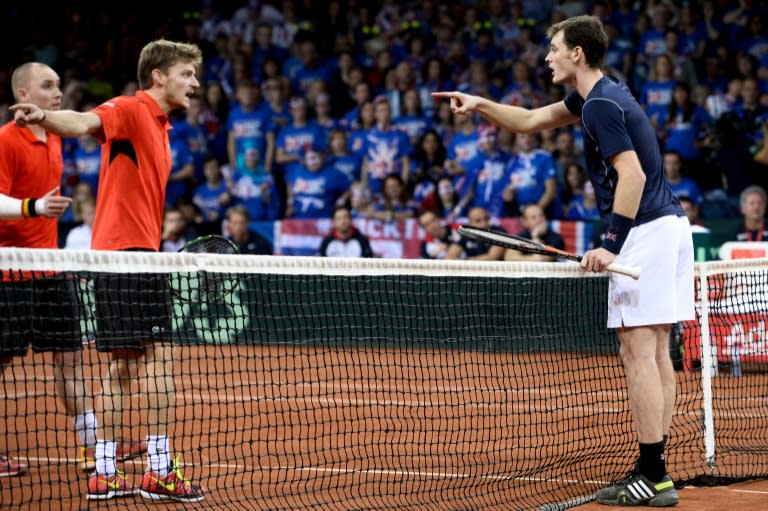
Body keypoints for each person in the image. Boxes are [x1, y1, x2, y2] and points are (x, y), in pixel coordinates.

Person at [434, 14, 694, 507]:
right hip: (669, 227)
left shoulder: (598, 105)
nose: (547, 56)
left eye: (553, 48)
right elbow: (532, 120)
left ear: (577, 52)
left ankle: (653, 475)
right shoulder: (601, 94)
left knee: (638, 352)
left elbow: (632, 176)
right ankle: (655, 469)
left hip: (645, 229)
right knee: (656, 352)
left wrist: (611, 244)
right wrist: (481, 104)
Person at [11, 40, 206, 502]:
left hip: (119, 254)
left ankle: (104, 471)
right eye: (186, 74)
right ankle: (159, 468)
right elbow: (84, 121)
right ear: (158, 76)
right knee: (161, 357)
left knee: (122, 366)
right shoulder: (132, 108)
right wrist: (43, 118)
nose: (194, 84)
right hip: (130, 254)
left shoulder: (160, 126)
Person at [0, 61, 89, 479]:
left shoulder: (56, 136)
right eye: (48, 86)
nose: (58, 93)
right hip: (9, 273)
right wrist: (33, 207)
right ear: (23, 95)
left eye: (59, 85)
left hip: (51, 269)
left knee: (71, 360)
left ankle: (96, 445)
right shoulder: (5, 140)